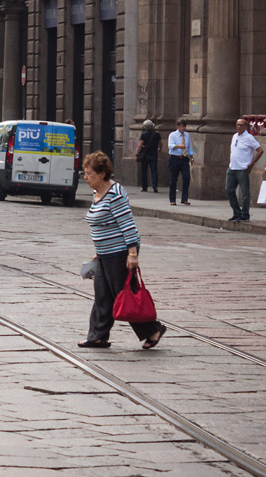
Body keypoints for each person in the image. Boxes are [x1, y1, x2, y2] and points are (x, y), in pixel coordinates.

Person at [78, 151, 166, 350]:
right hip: (104, 254)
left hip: (119, 253)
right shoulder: (97, 193)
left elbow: (128, 226)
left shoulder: (115, 194)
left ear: (102, 174)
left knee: (124, 295)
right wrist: (97, 251)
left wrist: (132, 254)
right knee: (102, 295)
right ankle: (98, 337)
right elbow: (103, 226)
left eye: (89, 173)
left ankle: (153, 329)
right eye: (85, 173)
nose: (86, 178)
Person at [226, 117, 263, 222]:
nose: (239, 127)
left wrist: (251, 163)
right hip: (232, 167)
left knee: (244, 193)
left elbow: (260, 150)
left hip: (242, 168)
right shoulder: (234, 136)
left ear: (245, 126)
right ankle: (236, 212)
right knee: (229, 190)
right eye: (237, 125)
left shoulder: (249, 137)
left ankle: (245, 214)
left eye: (241, 125)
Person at [167, 119, 194, 205]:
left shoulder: (187, 135)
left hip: (184, 158)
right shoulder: (173, 135)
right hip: (175, 158)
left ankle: (184, 198)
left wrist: (191, 157)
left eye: (184, 127)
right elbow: (170, 146)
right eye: (182, 126)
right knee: (173, 179)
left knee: (186, 177)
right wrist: (178, 146)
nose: (183, 128)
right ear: (178, 127)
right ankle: (172, 199)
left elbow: (189, 147)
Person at [135, 119, 161, 193]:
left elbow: (140, 145)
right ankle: (154, 184)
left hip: (145, 156)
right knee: (154, 170)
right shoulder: (157, 134)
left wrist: (137, 154)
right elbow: (160, 143)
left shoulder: (143, 135)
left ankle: (144, 187)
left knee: (144, 171)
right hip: (154, 155)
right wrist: (160, 149)